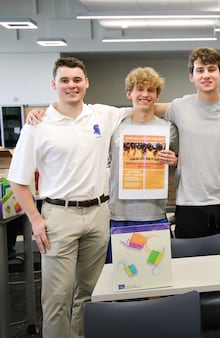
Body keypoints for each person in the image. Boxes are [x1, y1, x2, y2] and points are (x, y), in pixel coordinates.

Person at [7, 56, 130, 338]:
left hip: (99, 213)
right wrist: (35, 220)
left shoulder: (102, 115)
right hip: (58, 217)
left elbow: (150, 104)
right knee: (57, 298)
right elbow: (18, 179)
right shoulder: (38, 124)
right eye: (64, 80)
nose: (71, 85)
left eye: (77, 80)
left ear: (87, 82)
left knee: (89, 294)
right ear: (54, 84)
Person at [158, 47, 220, 239]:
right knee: (190, 266)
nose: (206, 75)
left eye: (211, 69)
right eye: (200, 70)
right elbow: (147, 109)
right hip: (189, 203)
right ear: (191, 76)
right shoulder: (179, 107)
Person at [106, 67, 178, 263]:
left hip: (154, 213)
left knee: (154, 271)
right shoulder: (115, 126)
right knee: (123, 275)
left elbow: (179, 164)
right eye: (140, 89)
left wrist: (174, 161)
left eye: (151, 90)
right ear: (129, 93)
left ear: (157, 95)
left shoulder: (168, 129)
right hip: (120, 214)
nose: (145, 94)